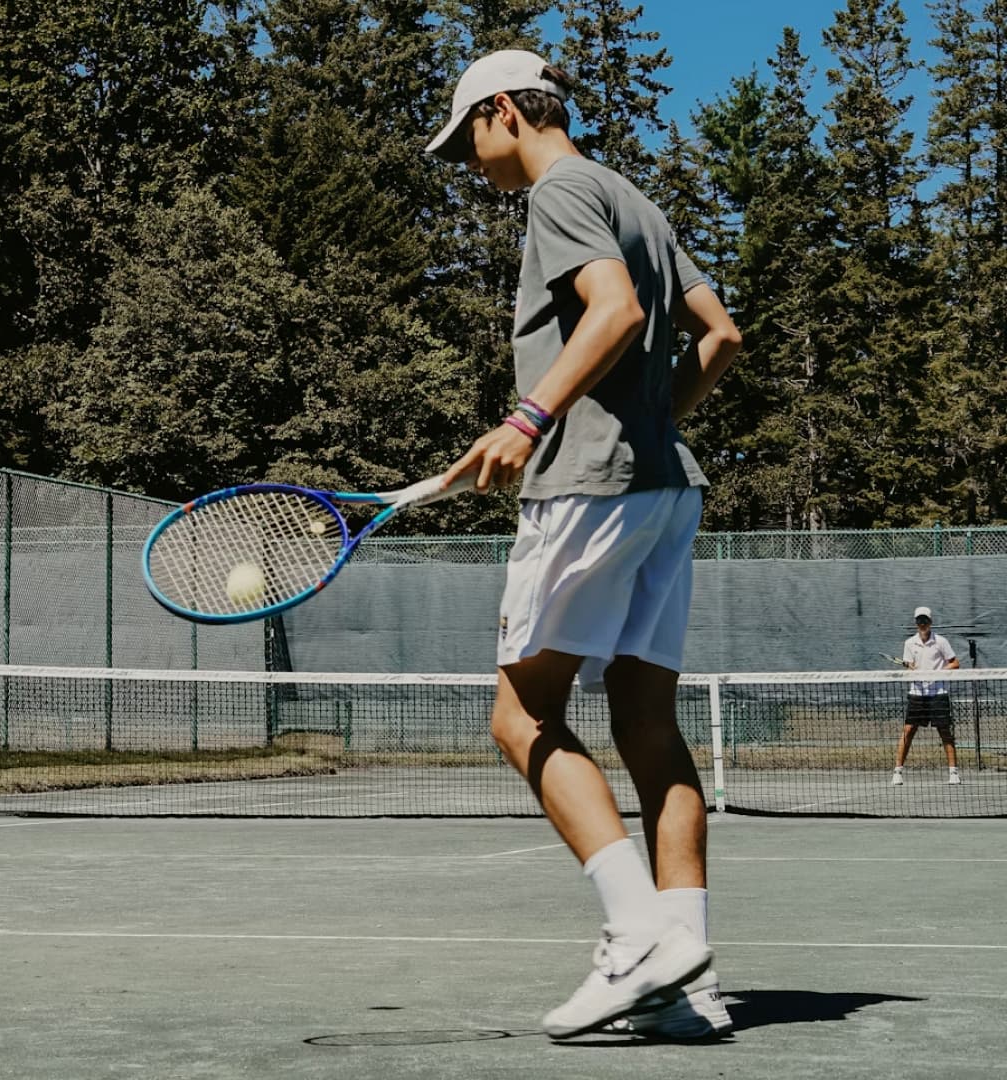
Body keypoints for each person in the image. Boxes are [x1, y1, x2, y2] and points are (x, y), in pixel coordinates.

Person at [427, 49, 742, 1040]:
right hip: (662, 491)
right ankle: (690, 987)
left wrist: (531, 421)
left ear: (507, 113)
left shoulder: (559, 193)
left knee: (520, 719)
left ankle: (639, 936)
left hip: (590, 494)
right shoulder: (632, 197)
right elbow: (721, 337)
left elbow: (617, 313)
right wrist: (647, 427)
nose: (471, 162)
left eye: (470, 138)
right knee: (648, 726)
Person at [892, 606, 960, 786]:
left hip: (938, 693)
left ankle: (953, 773)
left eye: (925, 621)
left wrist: (937, 673)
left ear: (931, 622)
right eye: (919, 621)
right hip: (917, 694)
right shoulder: (909, 643)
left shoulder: (941, 642)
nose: (922, 624)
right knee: (908, 731)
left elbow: (955, 663)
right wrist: (913, 671)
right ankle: (897, 772)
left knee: (945, 731)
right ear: (916, 623)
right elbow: (910, 666)